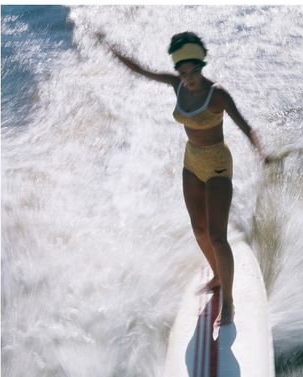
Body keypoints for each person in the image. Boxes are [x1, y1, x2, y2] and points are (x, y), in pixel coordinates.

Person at [96, 31, 269, 325]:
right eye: (183, 72)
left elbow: (246, 126)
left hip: (216, 164)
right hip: (191, 161)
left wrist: (261, 152)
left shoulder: (218, 95)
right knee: (199, 230)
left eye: (194, 71)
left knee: (217, 235)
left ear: (202, 65)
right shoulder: (176, 85)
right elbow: (140, 70)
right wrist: (111, 47)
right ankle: (216, 276)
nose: (188, 78)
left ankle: (228, 304)